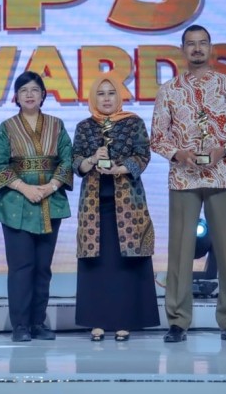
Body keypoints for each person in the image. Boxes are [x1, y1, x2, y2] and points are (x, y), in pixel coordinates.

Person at [151, 24, 226, 343]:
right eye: (191, 44)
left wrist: (223, 150)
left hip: (222, 177)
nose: (197, 48)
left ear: (211, 49)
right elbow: (157, 137)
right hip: (183, 178)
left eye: (203, 43)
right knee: (180, 253)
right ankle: (177, 321)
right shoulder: (169, 90)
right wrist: (178, 154)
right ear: (183, 50)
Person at [73, 74, 159, 342]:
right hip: (94, 205)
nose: (107, 98)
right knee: (97, 263)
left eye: (111, 93)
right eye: (101, 94)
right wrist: (91, 159)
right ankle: (97, 322)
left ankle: (125, 321)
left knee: (126, 263)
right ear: (93, 98)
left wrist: (120, 168)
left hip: (128, 202)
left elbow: (143, 154)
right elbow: (75, 161)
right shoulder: (84, 126)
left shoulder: (133, 122)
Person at [0, 71, 73, 342]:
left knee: (42, 268)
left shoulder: (57, 125)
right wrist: (24, 188)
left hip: (50, 203)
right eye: (24, 90)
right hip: (16, 204)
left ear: (43, 95)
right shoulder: (6, 127)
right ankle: (20, 326)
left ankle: (38, 323)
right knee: (21, 267)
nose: (29, 94)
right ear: (16, 97)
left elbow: (67, 160)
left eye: (35, 90)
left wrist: (51, 187)